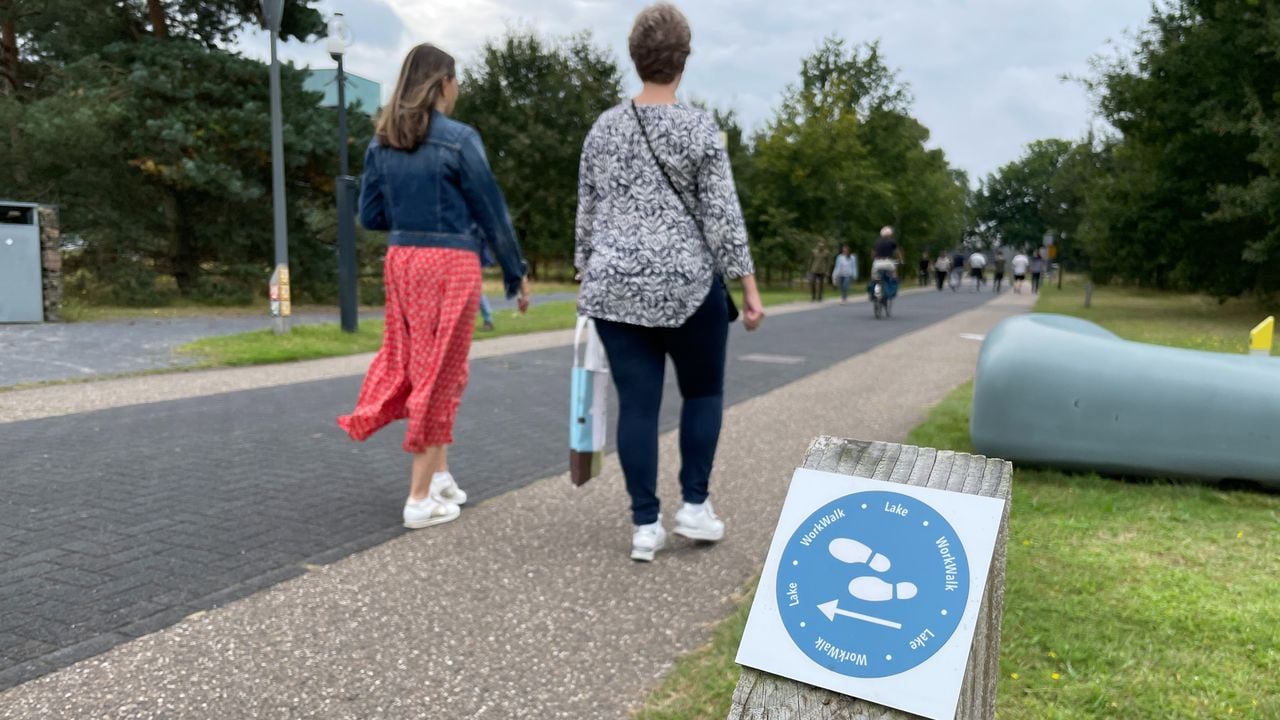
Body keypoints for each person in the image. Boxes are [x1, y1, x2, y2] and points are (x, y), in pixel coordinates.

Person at [575, 2, 764, 562]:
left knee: (638, 404)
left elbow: (586, 213)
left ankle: (644, 525)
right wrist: (749, 290)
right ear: (683, 60)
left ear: (636, 59)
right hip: (687, 284)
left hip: (615, 287)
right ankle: (695, 507)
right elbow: (723, 217)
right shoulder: (700, 127)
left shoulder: (602, 129)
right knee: (702, 392)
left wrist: (589, 273)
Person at [338, 43, 531, 530]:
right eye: (456, 79)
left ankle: (440, 475)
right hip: (450, 263)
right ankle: (419, 499)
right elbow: (493, 212)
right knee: (441, 373)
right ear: (443, 82)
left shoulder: (381, 141)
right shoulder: (459, 140)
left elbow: (371, 215)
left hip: (404, 262)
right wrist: (515, 270)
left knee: (428, 365)